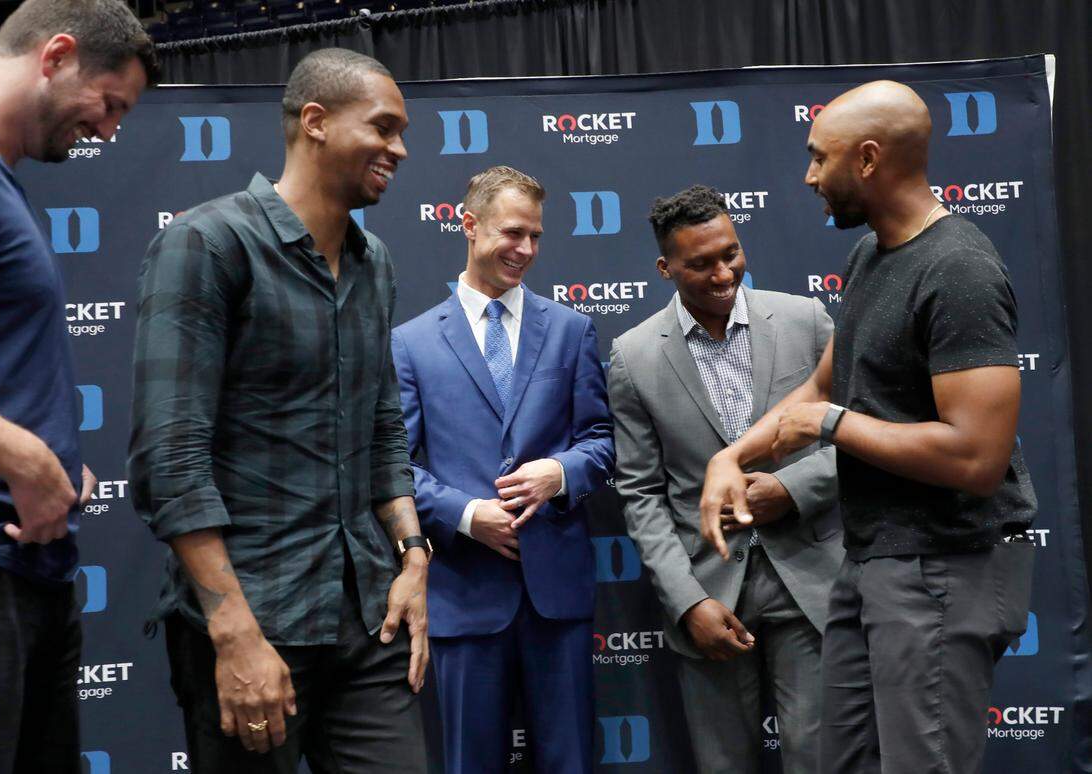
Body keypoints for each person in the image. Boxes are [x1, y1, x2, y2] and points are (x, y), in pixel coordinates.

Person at [700, 81, 1036, 774]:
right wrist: (730, 457)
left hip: (944, 566)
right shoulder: (871, 258)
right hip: (874, 561)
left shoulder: (960, 270)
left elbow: (976, 455)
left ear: (870, 159)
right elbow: (823, 386)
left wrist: (831, 424)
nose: (809, 175)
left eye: (820, 158)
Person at [128, 48, 430, 773]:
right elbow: (169, 458)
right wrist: (231, 630)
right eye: (384, 127)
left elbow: (382, 423)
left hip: (366, 614)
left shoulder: (375, 261)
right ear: (316, 122)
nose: (400, 149)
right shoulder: (207, 243)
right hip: (251, 616)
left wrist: (414, 557)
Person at [0, 1, 155, 771]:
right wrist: (27, 462)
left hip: (20, 576)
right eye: (108, 105)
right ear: (56, 54)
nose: (107, 132)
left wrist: (56, 458)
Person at [607, 185, 841, 774]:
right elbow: (639, 492)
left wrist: (791, 489)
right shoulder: (633, 356)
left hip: (811, 583)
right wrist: (687, 602)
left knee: (821, 760)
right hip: (709, 594)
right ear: (666, 268)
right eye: (700, 263)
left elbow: (859, 432)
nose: (723, 273)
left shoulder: (805, 320)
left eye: (730, 253)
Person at [391, 165, 614, 774]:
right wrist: (466, 515)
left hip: (556, 595)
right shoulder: (409, 344)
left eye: (536, 237)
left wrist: (559, 474)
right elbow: (397, 466)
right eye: (513, 233)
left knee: (571, 761)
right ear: (468, 225)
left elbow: (600, 442)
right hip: (464, 595)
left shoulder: (571, 330)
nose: (527, 250)